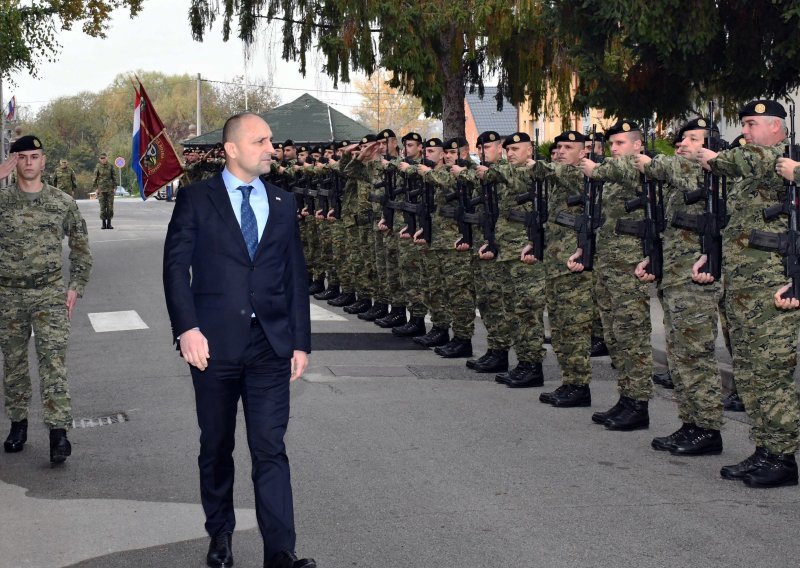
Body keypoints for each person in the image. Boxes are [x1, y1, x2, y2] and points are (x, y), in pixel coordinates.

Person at [163, 112, 316, 567]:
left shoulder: (284, 202)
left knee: (270, 448)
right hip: (212, 346)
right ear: (231, 149)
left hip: (269, 345)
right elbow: (175, 268)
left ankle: (280, 553)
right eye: (260, 141)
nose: (271, 148)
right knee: (217, 445)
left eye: (270, 140)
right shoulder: (196, 199)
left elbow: (294, 275)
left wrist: (300, 342)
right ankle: (221, 536)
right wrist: (186, 329)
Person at [0, 135, 92, 464]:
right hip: (8, 294)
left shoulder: (62, 202)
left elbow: (81, 249)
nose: (28, 162)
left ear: (43, 161)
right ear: (13, 162)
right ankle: (18, 425)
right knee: (13, 365)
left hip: (49, 293)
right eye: (21, 157)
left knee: (52, 362)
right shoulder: (2, 200)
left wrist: (75, 286)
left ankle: (59, 434)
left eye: (34, 156)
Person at [93, 152, 116, 229]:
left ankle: (109, 223)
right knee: (103, 207)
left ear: (107, 158)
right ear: (100, 159)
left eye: (104, 158)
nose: (103, 160)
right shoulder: (98, 167)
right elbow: (95, 178)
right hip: (101, 190)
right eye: (101, 158)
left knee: (110, 208)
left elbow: (114, 177)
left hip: (110, 190)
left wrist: (114, 187)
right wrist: (96, 188)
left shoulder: (110, 166)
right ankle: (103, 223)